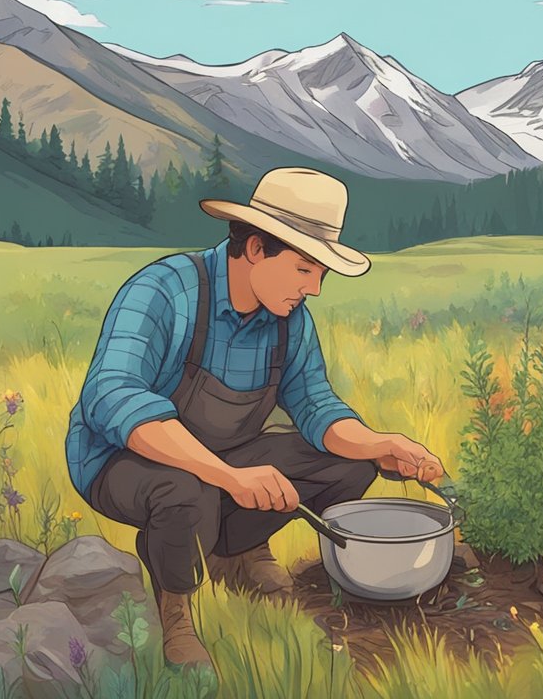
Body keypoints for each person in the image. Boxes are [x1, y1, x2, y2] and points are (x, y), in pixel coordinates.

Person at [64, 166, 443, 670]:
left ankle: (237, 551)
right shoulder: (166, 290)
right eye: (304, 270)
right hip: (121, 462)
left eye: (321, 275)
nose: (315, 289)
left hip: (226, 460)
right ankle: (175, 610)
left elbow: (315, 406)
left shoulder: (289, 322)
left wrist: (379, 443)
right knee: (186, 488)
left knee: (348, 465)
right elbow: (111, 396)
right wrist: (227, 475)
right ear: (257, 248)